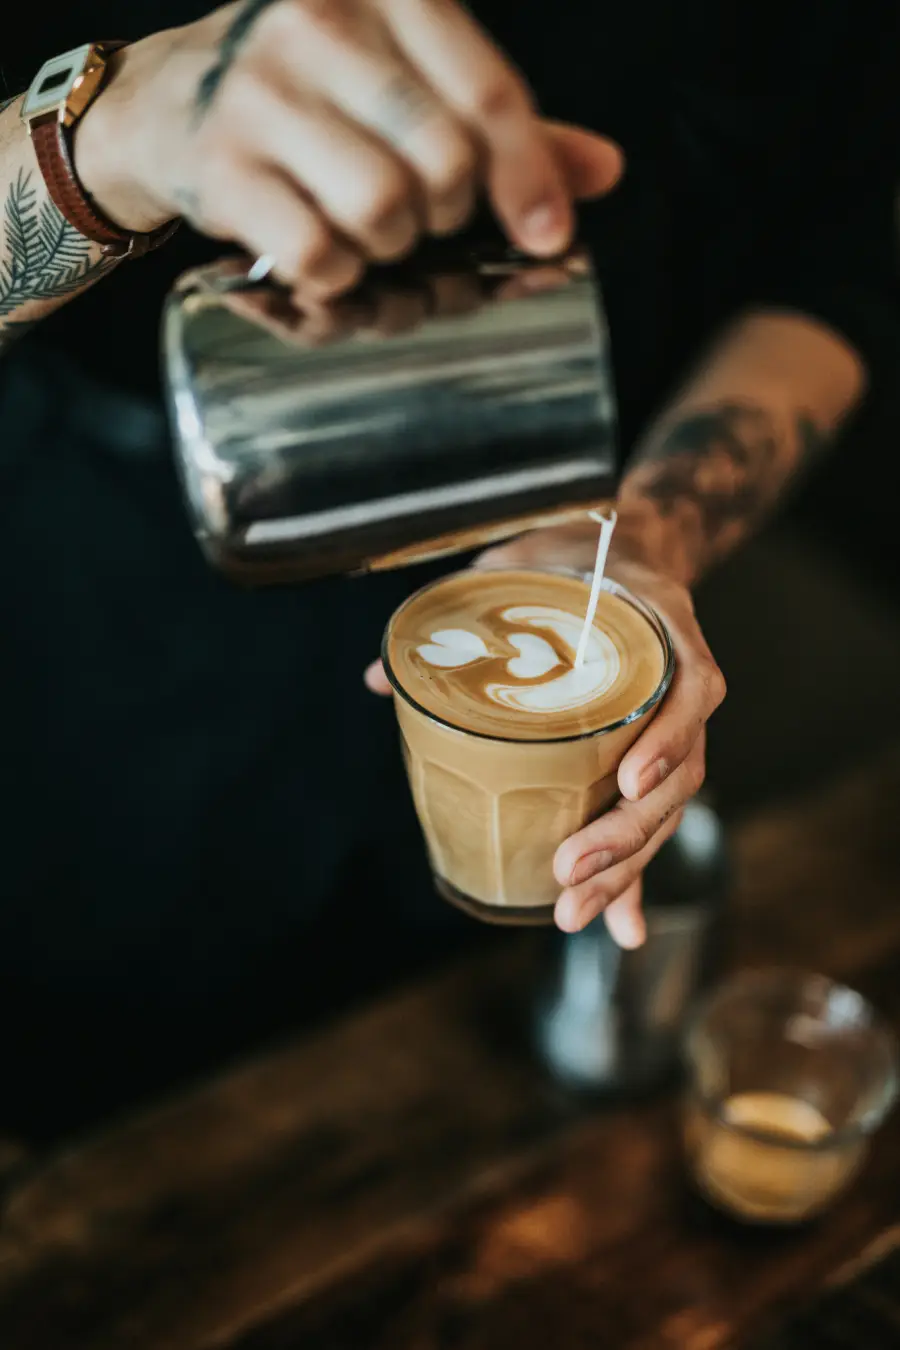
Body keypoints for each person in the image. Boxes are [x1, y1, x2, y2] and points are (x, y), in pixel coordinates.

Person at [0, 0, 896, 1130]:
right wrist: (109, 139)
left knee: (435, 1073)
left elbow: (844, 260)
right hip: (106, 573)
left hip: (548, 538)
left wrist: (648, 536)